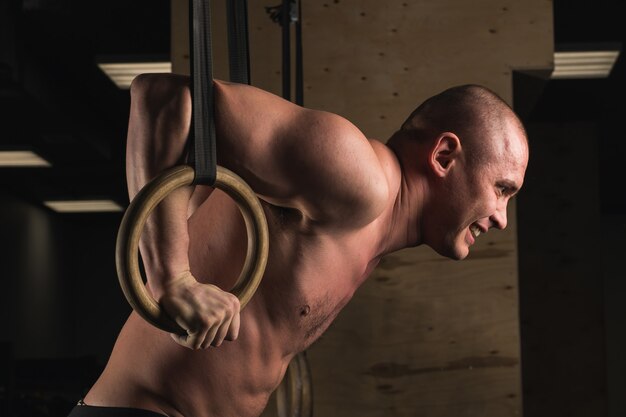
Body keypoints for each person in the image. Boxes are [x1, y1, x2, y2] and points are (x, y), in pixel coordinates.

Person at [69, 74, 528, 417]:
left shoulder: (371, 232)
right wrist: (172, 278)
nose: (502, 218)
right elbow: (164, 99)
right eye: (502, 189)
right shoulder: (360, 180)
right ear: (444, 156)